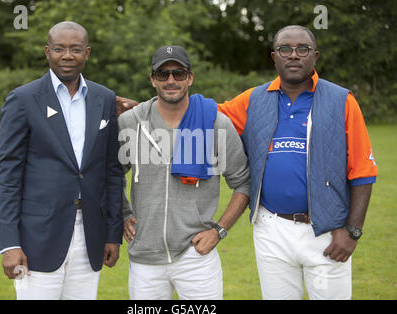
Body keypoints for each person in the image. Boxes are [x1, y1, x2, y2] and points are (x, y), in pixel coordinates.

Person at [217, 25, 378, 299]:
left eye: (302, 49)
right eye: (285, 50)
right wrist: (143, 109)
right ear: (274, 57)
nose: (294, 55)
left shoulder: (342, 100)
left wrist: (352, 231)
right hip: (271, 229)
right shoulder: (253, 99)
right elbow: (201, 116)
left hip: (327, 231)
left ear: (314, 56)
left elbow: (362, 171)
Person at [0, 21, 123, 300]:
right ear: (47, 52)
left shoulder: (104, 99)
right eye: (59, 49)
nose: (67, 55)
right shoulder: (23, 99)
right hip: (36, 238)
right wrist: (8, 243)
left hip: (90, 235)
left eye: (76, 49)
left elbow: (112, 172)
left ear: (87, 53)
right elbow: (8, 176)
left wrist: (113, 233)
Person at [118, 45, 250, 300]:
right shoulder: (130, 122)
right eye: (162, 74)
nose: (171, 80)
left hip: (196, 255)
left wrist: (219, 230)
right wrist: (123, 213)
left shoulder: (215, 123)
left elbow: (243, 182)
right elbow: (111, 174)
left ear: (190, 77)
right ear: (152, 79)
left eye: (178, 73)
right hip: (145, 257)